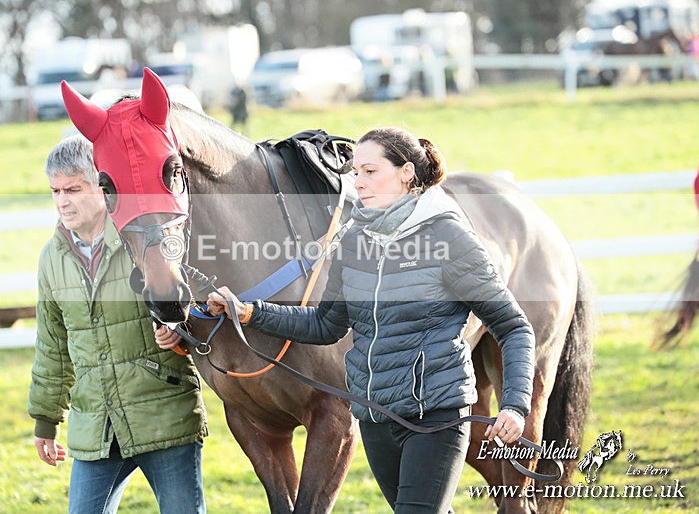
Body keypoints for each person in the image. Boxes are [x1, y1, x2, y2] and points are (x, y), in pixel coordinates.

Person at [206, 126, 535, 512]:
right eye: (355, 172)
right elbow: (326, 325)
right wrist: (250, 312)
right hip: (377, 417)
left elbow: (513, 326)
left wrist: (514, 404)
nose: (357, 183)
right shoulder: (353, 240)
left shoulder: (449, 237)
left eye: (369, 171)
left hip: (436, 415)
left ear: (406, 172)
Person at [28, 135, 208, 514]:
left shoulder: (145, 240)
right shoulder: (52, 257)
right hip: (98, 424)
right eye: (56, 190)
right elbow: (52, 345)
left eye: (74, 189)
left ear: (101, 186)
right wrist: (46, 420)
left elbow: (196, 304)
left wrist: (179, 328)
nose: (63, 200)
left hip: (164, 415)